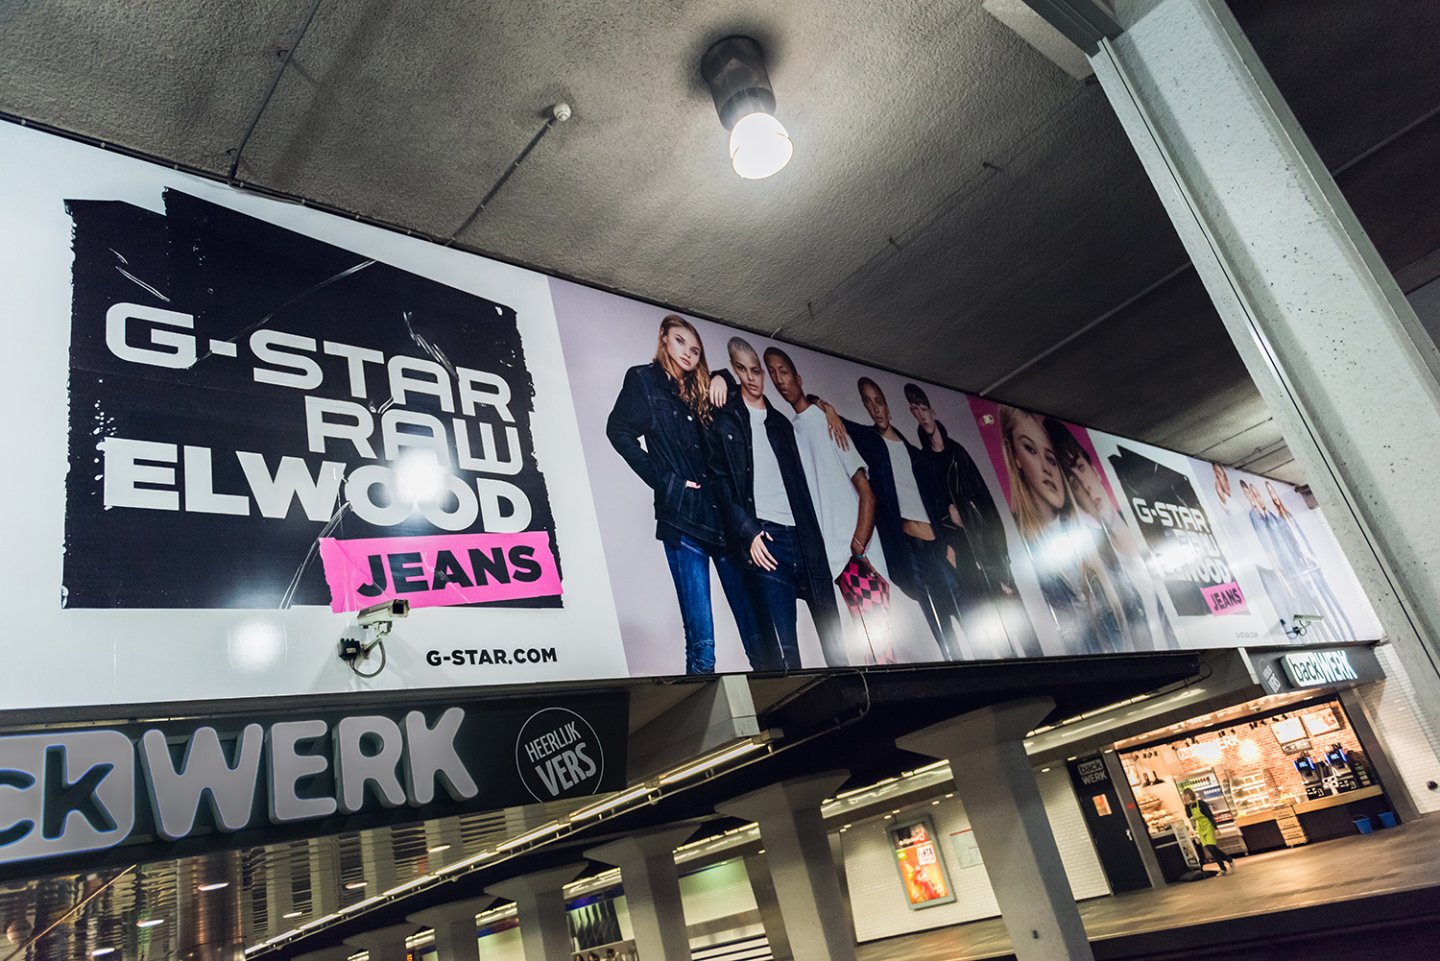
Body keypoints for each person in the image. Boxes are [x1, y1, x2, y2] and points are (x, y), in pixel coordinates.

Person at [606, 315, 765, 675]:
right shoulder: (643, 380)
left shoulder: (703, 388)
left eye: (695, 349)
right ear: (663, 338)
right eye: (680, 342)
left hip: (722, 519)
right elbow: (618, 431)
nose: (688, 353)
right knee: (702, 645)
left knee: (758, 638)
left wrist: (723, 376)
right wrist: (666, 483)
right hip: (683, 519)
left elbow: (741, 406)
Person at [706, 337, 843, 670]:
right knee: (785, 653)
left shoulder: (780, 423)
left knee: (837, 646)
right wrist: (748, 531)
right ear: (735, 371)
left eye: (756, 371)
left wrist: (826, 407)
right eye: (742, 370)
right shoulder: (726, 419)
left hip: (803, 537)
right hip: (767, 539)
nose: (752, 378)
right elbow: (720, 482)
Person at [765, 347, 891, 665]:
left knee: (882, 658)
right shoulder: (790, 431)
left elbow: (867, 493)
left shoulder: (828, 422)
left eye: (783, 371)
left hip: (855, 559)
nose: (778, 380)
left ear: (798, 377)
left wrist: (857, 549)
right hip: (830, 564)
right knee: (867, 658)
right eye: (772, 373)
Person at [906, 383, 1041, 659]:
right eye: (916, 410)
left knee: (1019, 624)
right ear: (913, 414)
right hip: (963, 557)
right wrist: (949, 527)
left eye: (924, 409)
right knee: (990, 631)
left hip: (987, 549)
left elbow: (987, 505)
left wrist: (1001, 562)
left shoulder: (958, 453)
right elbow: (932, 510)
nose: (922, 415)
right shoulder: (923, 463)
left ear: (932, 411)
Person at [997, 405, 1127, 654]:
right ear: (1014, 457)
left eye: (1051, 459)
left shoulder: (1094, 540)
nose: (1047, 468)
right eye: (1030, 449)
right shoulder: (1011, 550)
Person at [1047, 421, 1179, 652]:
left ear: (1095, 471)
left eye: (1081, 468)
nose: (1086, 487)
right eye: (1074, 484)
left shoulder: (1150, 525)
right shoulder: (1093, 565)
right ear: (1075, 501)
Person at [1265, 480, 1355, 640]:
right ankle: (1335, 635)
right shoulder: (1279, 520)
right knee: (1320, 605)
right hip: (1305, 568)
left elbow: (1301, 539)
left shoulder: (1288, 515)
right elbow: (1292, 546)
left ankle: (1345, 631)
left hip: (1313, 564)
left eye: (1273, 492)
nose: (1274, 496)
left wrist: (1312, 556)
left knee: (1330, 600)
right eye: (1270, 494)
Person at [1182, 788, 1236, 874]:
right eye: (1184, 796)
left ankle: (1229, 859)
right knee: (1210, 850)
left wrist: (1216, 828)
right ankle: (1223, 868)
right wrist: (1186, 805)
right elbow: (1189, 816)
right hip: (1200, 828)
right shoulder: (1190, 806)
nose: (1184, 797)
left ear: (1190, 795)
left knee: (1212, 847)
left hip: (1208, 825)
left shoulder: (1201, 803)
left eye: (1186, 795)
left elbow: (1209, 815)